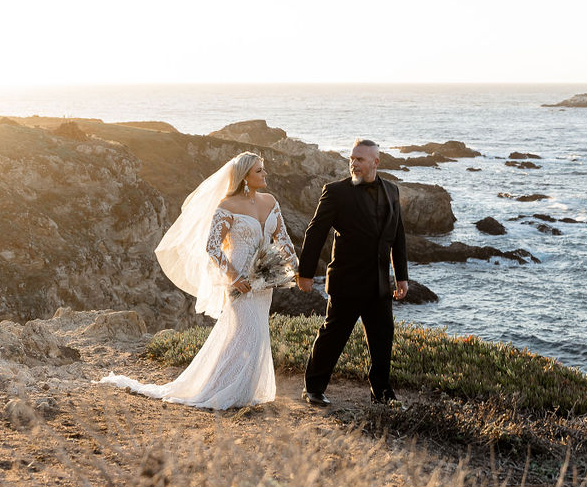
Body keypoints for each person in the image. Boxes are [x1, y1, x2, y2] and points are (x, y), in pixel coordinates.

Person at [99, 152, 298, 410]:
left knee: (256, 333)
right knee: (245, 333)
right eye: (259, 171)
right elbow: (213, 248)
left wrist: (291, 266)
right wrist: (235, 278)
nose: (265, 174)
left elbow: (283, 239)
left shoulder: (271, 201)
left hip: (263, 283)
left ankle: (243, 389)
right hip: (239, 280)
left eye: (263, 169)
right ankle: (223, 389)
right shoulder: (227, 206)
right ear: (246, 177)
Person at [296, 138, 408, 407]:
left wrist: (401, 276)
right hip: (347, 281)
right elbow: (315, 232)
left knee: (383, 340)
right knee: (332, 337)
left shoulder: (392, 190)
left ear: (375, 162)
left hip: (380, 284)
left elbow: (398, 235)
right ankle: (313, 388)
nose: (354, 164)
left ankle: (381, 394)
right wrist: (306, 272)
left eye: (360, 159)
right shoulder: (336, 192)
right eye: (352, 159)